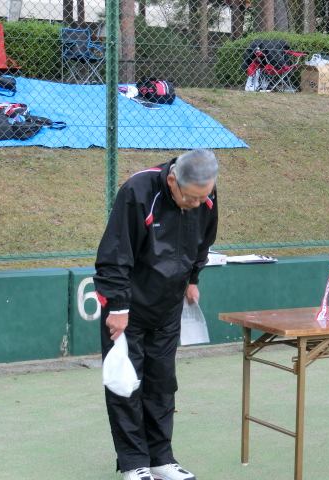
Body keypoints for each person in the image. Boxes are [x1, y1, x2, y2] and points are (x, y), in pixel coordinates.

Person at [94, 149, 219, 480]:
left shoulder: (204, 192)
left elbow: (203, 240)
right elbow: (114, 255)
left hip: (168, 306)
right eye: (191, 198)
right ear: (173, 180)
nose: (198, 204)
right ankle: (134, 463)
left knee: (162, 384)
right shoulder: (138, 191)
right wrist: (117, 307)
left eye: (203, 197)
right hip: (129, 308)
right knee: (126, 385)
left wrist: (193, 279)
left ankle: (161, 459)